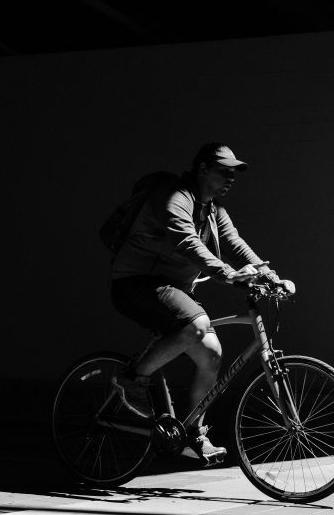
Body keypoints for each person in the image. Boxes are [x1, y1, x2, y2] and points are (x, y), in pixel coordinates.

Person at [108, 142, 283, 463]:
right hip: (136, 283)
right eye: (224, 171)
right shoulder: (174, 197)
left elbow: (235, 243)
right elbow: (185, 240)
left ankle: (192, 434)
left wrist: (267, 273)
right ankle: (131, 378)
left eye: (234, 174)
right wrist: (228, 275)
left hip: (171, 289)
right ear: (202, 169)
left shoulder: (214, 210)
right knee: (195, 325)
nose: (231, 178)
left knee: (212, 354)